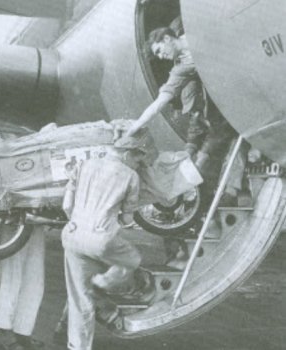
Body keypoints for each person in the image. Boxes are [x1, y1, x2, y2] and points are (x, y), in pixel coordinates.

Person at [122, 26, 247, 206]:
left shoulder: (198, 30)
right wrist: (136, 126)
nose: (160, 56)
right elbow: (160, 101)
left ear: (166, 39)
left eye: (158, 50)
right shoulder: (180, 69)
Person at [61, 130, 155, 350]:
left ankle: (77, 346)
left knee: (79, 299)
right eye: (137, 158)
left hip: (73, 234)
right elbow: (128, 217)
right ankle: (102, 283)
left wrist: (77, 222)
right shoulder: (130, 175)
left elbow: (66, 205)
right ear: (127, 154)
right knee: (132, 259)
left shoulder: (85, 164)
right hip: (101, 237)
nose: (137, 163)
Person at [0, 226, 47, 350]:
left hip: (36, 224)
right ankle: (4, 331)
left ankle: (22, 331)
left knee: (34, 277)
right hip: (13, 222)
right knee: (11, 277)